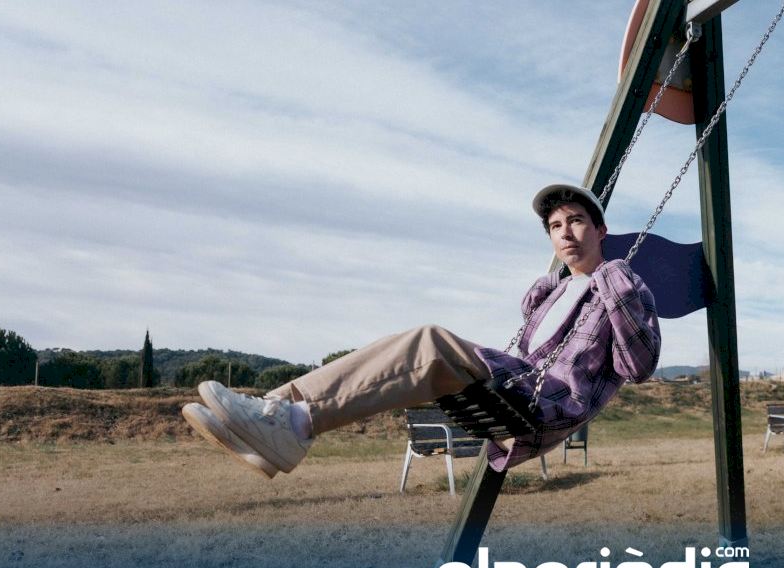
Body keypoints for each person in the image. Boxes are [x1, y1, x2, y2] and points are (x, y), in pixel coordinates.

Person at [182, 184, 661, 479]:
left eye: (576, 221)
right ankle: (274, 413)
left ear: (600, 230)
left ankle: (288, 422)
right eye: (555, 226)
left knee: (427, 341)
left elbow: (638, 366)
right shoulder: (552, 292)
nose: (566, 232)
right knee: (405, 344)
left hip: (548, 404)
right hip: (515, 383)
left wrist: (614, 282)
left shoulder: (623, 286)